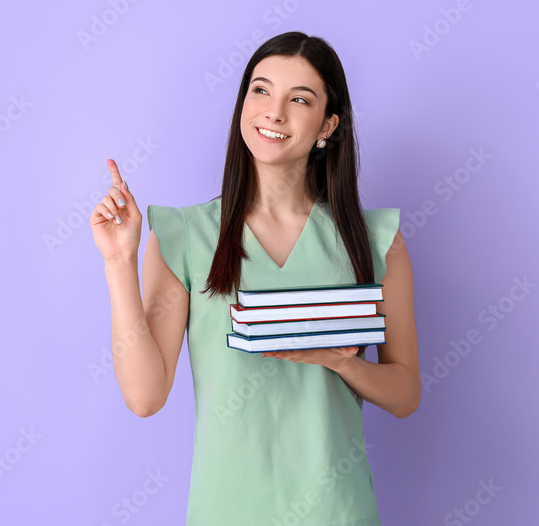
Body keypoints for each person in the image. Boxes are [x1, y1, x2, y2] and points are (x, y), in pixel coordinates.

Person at [91, 31, 419, 525]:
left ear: (328, 124)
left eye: (300, 99)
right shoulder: (185, 235)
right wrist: (119, 262)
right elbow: (145, 397)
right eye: (260, 90)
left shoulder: (376, 240)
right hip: (227, 510)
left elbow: (405, 394)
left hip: (337, 511)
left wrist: (340, 363)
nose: (274, 112)